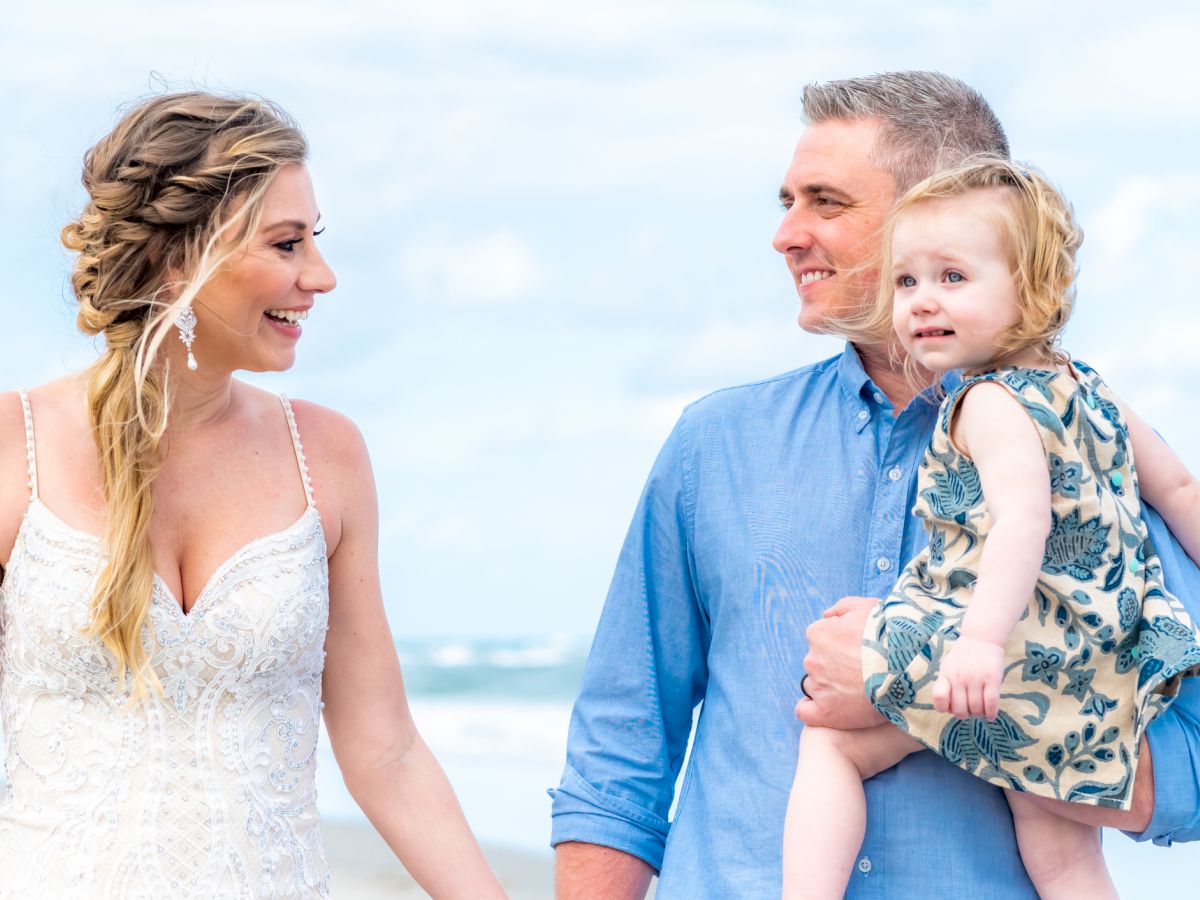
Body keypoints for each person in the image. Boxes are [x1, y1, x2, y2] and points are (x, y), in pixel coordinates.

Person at [551, 72, 1200, 899]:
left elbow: (1192, 769)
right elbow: (619, 760)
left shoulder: (1092, 453)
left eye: (825, 201)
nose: (786, 235)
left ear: (936, 213)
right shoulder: (712, 447)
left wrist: (917, 682)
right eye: (785, 200)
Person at [0, 91, 506, 898]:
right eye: (287, 243)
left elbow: (387, 752)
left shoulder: (327, 456)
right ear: (180, 257)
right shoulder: (11, 445)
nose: (322, 276)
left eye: (315, 241)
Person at [782, 158, 1200, 899]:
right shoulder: (1090, 388)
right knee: (1064, 855)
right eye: (907, 281)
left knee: (833, 742)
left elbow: (1023, 520)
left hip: (1009, 651)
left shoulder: (987, 402)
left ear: (1032, 289)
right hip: (1104, 660)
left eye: (952, 278)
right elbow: (1177, 487)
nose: (920, 302)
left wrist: (976, 643)